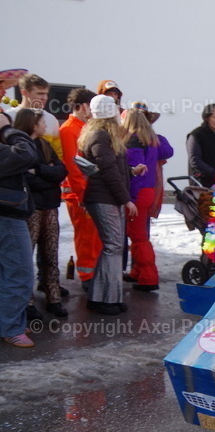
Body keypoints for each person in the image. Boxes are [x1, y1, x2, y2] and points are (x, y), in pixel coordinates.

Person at [79, 95, 137, 315]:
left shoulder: (100, 134)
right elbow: (109, 173)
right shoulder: (101, 136)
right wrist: (126, 199)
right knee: (113, 246)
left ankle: (105, 297)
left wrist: (130, 174)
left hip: (106, 197)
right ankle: (103, 299)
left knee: (112, 247)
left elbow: (113, 170)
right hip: (104, 198)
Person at [13, 108, 67, 318]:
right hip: (31, 207)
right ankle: (27, 301)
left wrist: (42, 171)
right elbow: (25, 177)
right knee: (28, 253)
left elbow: (62, 171)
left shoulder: (45, 144)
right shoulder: (20, 146)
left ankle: (53, 295)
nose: (46, 125)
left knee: (51, 251)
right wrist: (49, 176)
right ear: (32, 124)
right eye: (41, 122)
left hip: (51, 204)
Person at [122, 103, 173, 292]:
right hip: (150, 190)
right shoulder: (152, 140)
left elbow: (136, 173)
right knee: (137, 234)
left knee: (138, 236)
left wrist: (130, 198)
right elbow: (169, 151)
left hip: (139, 192)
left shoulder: (133, 141)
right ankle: (137, 271)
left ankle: (149, 277)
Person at [0, 110, 39, 347]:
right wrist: (7, 129)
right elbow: (27, 154)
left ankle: (8, 322)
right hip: (7, 217)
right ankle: (11, 328)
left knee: (7, 275)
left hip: (8, 215)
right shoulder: (7, 148)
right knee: (20, 274)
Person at [59, 88, 101, 289]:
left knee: (93, 237)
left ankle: (92, 276)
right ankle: (87, 278)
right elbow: (73, 167)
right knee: (86, 238)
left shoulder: (80, 127)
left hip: (86, 192)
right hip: (79, 194)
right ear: (83, 106)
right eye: (91, 107)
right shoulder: (69, 129)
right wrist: (83, 196)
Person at [10, 73, 62, 159]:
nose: (45, 97)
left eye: (46, 94)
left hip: (46, 170)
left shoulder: (51, 119)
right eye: (40, 93)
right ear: (24, 92)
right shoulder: (9, 117)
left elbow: (58, 151)